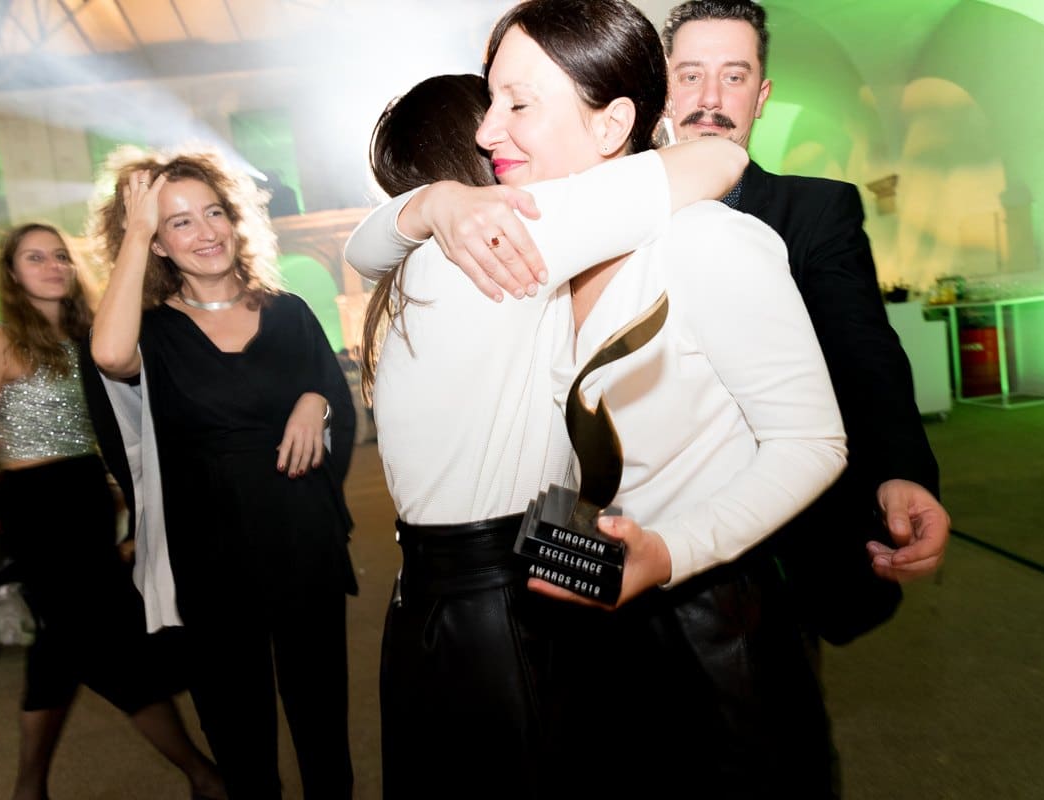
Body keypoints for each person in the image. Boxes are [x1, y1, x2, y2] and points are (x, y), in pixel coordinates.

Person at [348, 1, 848, 794]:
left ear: (613, 122)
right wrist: (431, 201)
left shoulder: (704, 241)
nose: (487, 131)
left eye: (519, 104)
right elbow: (371, 250)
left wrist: (671, 551)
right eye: (489, 101)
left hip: (707, 620)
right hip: (579, 611)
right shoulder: (523, 259)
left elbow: (812, 443)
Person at [659, 0, 949, 641]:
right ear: (663, 87)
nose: (711, 99)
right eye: (690, 75)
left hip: (777, 550)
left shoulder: (816, 211)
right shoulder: (616, 215)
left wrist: (901, 470)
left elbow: (864, 351)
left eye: (734, 76)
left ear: (760, 97)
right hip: (646, 534)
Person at [89, 147, 357, 799]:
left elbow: (334, 395)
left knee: (323, 723)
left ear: (235, 219)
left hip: (303, 541)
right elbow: (109, 355)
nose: (205, 232)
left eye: (213, 213)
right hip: (209, 559)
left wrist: (317, 401)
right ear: (155, 243)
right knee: (240, 735)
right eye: (178, 222)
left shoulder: (290, 312)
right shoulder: (152, 332)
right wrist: (137, 229)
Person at [0, 223, 225, 800]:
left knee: (62, 647)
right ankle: (203, 774)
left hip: (88, 499)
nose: (52, 265)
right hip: (37, 509)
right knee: (112, 646)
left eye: (60, 255)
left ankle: (30, 787)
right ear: (12, 274)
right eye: (34, 257)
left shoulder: (90, 337)